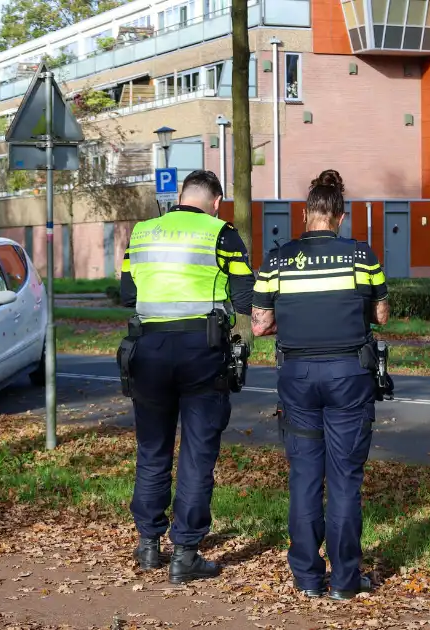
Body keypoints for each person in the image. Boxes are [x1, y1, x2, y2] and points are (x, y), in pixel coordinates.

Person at [250, 169, 389, 600]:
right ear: (340, 217)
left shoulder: (277, 260)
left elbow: (259, 325)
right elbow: (382, 315)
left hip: (297, 378)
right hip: (349, 375)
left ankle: (308, 579)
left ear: (306, 214)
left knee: (305, 476)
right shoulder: (360, 256)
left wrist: (289, 324)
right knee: (345, 477)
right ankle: (346, 582)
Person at [118, 169, 254, 584]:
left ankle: (147, 544)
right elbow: (246, 294)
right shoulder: (220, 232)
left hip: (149, 350)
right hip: (201, 351)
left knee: (152, 448)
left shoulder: (141, 233)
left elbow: (127, 294)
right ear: (215, 202)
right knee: (197, 452)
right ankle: (186, 552)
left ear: (180, 197)